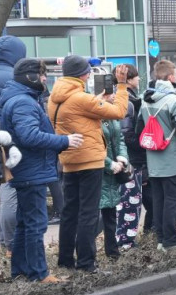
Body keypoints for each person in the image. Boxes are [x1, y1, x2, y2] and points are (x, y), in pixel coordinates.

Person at [2, 59, 83, 283]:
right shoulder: (23, 103)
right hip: (32, 172)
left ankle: (20, 271)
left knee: (25, 224)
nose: (46, 78)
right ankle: (39, 274)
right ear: (30, 77)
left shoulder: (22, 99)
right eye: (42, 74)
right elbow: (29, 136)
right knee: (36, 225)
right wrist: (64, 141)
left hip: (28, 170)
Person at [49, 56, 130, 274]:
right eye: (87, 72)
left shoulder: (55, 97)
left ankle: (66, 260)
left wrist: (97, 99)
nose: (88, 75)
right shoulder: (81, 98)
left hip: (69, 159)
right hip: (90, 160)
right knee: (88, 213)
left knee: (70, 212)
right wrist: (121, 85)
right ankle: (86, 263)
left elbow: (79, 112)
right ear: (81, 74)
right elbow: (119, 112)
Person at [137, 59, 176, 252]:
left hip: (153, 160)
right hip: (172, 159)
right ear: (171, 77)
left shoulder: (145, 100)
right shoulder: (174, 101)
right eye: (175, 75)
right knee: (173, 201)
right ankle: (171, 243)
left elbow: (139, 129)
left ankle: (161, 240)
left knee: (159, 200)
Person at [0, 34, 25, 252]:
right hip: (8, 146)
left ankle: (4, 244)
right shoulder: (16, 79)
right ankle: (8, 245)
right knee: (9, 194)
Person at [118, 65, 146, 248]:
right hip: (131, 160)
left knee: (127, 202)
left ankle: (124, 240)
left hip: (128, 158)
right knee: (130, 202)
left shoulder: (126, 98)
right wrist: (142, 145)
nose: (139, 80)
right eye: (136, 77)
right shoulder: (129, 101)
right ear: (129, 79)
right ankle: (126, 242)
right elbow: (127, 133)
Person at [99, 99, 128, 260]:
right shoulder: (93, 115)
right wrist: (109, 164)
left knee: (110, 212)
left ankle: (112, 251)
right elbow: (93, 146)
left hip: (114, 170)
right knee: (97, 214)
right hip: (100, 171)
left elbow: (120, 139)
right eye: (109, 94)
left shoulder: (111, 115)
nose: (113, 97)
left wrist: (122, 158)